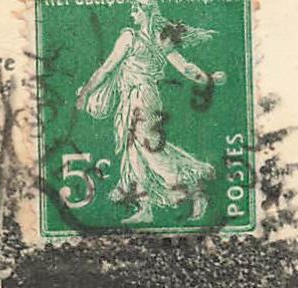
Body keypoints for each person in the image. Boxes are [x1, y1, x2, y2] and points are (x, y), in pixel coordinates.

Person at [75, 0, 223, 223]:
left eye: (136, 8)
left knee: (150, 150)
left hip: (141, 99)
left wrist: (85, 93)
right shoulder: (159, 41)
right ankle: (145, 208)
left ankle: (192, 189)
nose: (132, 12)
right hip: (133, 99)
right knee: (133, 153)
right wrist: (209, 79)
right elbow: (186, 69)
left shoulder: (132, 38)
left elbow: (106, 69)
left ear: (147, 13)